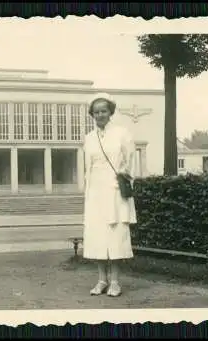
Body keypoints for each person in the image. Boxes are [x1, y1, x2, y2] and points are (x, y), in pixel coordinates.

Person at [83, 92, 137, 297]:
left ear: (110, 112)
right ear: (92, 114)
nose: (100, 115)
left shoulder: (122, 133)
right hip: (96, 191)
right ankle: (101, 280)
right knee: (97, 235)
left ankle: (115, 282)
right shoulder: (89, 138)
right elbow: (88, 167)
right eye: (96, 112)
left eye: (103, 111)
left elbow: (131, 160)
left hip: (114, 191)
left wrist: (125, 175)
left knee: (115, 236)